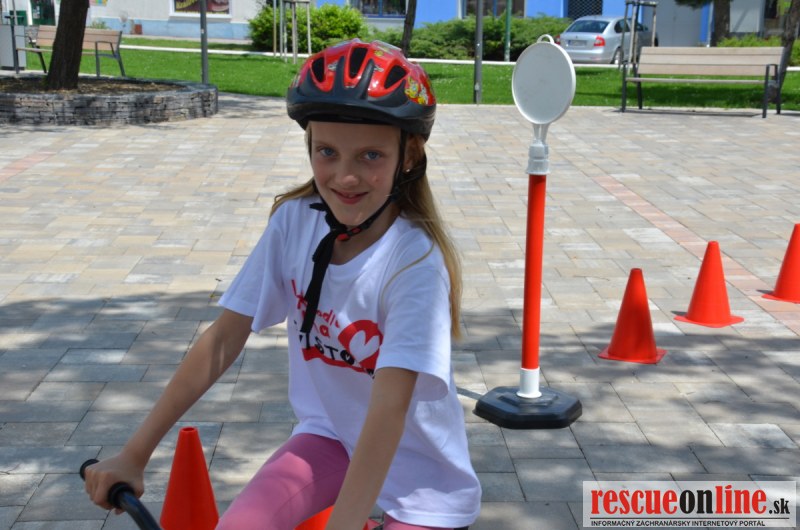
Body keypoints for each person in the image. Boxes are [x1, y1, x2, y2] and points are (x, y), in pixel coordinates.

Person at [83, 39, 481, 530]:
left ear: (409, 156)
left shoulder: (414, 264)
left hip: (424, 480)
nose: (346, 176)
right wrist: (134, 453)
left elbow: (389, 411)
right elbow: (223, 339)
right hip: (331, 437)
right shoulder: (295, 222)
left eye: (371, 155)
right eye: (327, 151)